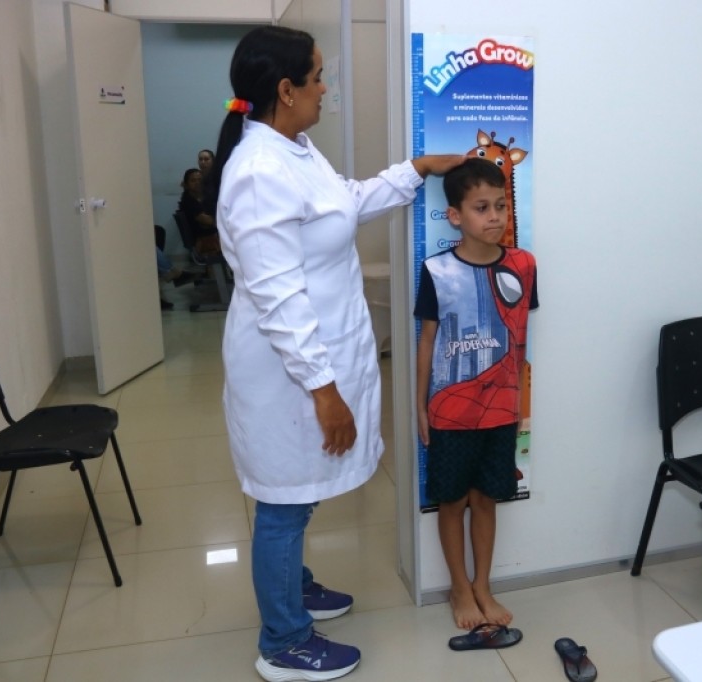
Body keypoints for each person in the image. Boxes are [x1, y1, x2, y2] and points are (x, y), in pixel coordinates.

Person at [208, 25, 464, 682]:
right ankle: (284, 641)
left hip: (315, 356)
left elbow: (342, 203)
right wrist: (323, 390)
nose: (327, 88)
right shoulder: (258, 173)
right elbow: (277, 297)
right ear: (286, 90)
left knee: (298, 492)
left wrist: (415, 170)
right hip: (287, 370)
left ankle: (294, 588)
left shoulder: (294, 149)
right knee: (283, 502)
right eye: (318, 77)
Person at [414, 158, 539, 631]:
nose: (495, 216)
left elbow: (520, 337)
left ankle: (483, 584)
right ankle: (459, 587)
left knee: (486, 499)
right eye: (481, 207)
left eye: (501, 206)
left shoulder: (524, 265)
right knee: (452, 501)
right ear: (455, 216)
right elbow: (427, 341)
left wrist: (520, 402)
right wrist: (420, 406)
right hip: (449, 411)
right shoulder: (436, 270)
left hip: (502, 409)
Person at [178, 168, 220, 256]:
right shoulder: (188, 202)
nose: (197, 183)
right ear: (186, 184)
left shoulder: (203, 199)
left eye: (200, 180)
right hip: (205, 241)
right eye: (193, 181)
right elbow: (208, 221)